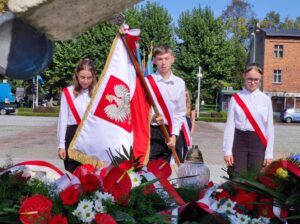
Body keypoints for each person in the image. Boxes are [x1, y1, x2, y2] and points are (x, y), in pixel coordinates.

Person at [223, 63, 274, 174]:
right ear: (244, 77)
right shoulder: (236, 98)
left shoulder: (266, 100)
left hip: (258, 141)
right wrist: (227, 151)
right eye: (249, 79)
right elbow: (230, 125)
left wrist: (269, 154)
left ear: (260, 79)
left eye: (256, 79)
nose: (253, 82)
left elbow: (269, 128)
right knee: (238, 176)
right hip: (239, 140)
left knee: (255, 177)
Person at [147, 45, 186, 163]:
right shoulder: (147, 82)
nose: (163, 63)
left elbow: (180, 112)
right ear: (154, 61)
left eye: (166, 58)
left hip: (172, 132)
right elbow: (142, 109)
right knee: (150, 170)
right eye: (159, 59)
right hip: (152, 132)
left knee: (168, 173)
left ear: (172, 59)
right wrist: (152, 117)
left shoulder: (179, 83)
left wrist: (174, 135)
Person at [57, 58, 97, 173]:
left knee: (91, 174)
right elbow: (63, 119)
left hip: (91, 135)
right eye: (82, 77)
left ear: (93, 76)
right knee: (73, 173)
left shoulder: (97, 91)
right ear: (76, 76)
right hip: (72, 136)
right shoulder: (68, 92)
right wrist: (61, 145)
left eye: (89, 78)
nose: (85, 81)